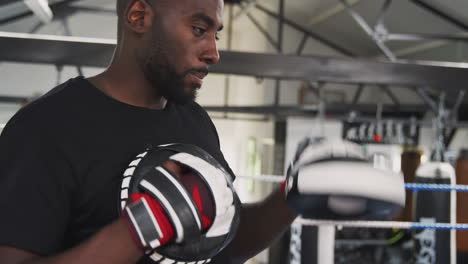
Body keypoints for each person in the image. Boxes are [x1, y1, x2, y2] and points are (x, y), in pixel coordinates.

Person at [0, 0, 297, 263]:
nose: (214, 53)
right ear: (138, 17)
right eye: (198, 30)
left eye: (215, 34)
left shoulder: (195, 121)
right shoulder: (46, 127)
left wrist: (291, 196)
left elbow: (225, 244)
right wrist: (136, 232)